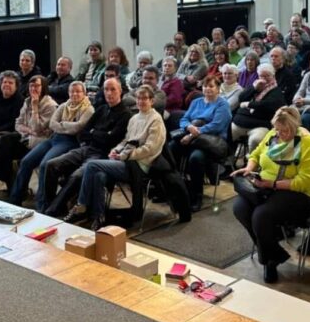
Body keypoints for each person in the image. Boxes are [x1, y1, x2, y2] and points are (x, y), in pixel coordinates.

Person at [231, 106, 310, 284]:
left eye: (285, 131)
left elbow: (305, 181)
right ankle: (274, 253)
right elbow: (257, 153)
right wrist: (249, 169)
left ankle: (269, 262)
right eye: (278, 130)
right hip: (269, 186)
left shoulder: (307, 143)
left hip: (302, 192)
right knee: (240, 208)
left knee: (261, 216)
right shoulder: (273, 133)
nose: (280, 135)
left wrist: (272, 184)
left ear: (295, 127)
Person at [66, 86, 166, 229]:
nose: (141, 101)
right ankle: (99, 216)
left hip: (139, 165)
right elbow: (126, 140)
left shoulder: (156, 120)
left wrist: (124, 155)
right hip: (126, 160)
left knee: (92, 165)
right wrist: (116, 150)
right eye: (138, 98)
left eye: (144, 98)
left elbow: (150, 148)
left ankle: (81, 205)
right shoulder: (135, 118)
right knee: (99, 175)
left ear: (152, 101)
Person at [41, 78, 131, 217]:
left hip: (102, 155)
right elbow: (84, 132)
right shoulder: (101, 109)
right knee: (51, 165)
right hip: (87, 148)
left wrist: (94, 132)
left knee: (77, 176)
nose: (109, 93)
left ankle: (52, 210)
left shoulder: (125, 114)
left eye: (113, 89)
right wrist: (99, 134)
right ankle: (50, 205)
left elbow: (111, 140)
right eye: (106, 89)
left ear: (120, 91)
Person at [11, 81, 94, 211]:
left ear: (84, 93)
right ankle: (15, 199)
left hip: (70, 142)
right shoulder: (63, 105)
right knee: (26, 161)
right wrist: (66, 125)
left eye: (78, 91)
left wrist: (62, 124)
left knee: (45, 164)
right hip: (53, 139)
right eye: (72, 91)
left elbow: (78, 127)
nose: (74, 94)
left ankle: (43, 205)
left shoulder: (88, 109)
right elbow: (52, 124)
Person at [0, 75, 57, 194]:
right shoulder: (27, 101)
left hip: (39, 143)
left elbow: (36, 128)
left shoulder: (51, 105)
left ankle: (9, 188)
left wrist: (35, 107)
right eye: (31, 86)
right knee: (3, 141)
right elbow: (18, 124)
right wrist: (29, 130)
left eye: (37, 86)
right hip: (26, 138)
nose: (33, 89)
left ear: (44, 87)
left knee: (8, 147)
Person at [169, 76, 232, 212]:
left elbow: (216, 126)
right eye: (205, 86)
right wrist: (188, 128)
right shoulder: (196, 101)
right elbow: (184, 119)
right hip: (192, 137)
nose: (207, 89)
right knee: (171, 148)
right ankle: (175, 188)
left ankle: (197, 196)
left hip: (209, 142)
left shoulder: (223, 105)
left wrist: (193, 133)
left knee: (195, 158)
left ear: (218, 89)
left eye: (211, 86)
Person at [231, 63, 286, 151]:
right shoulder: (255, 85)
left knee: (255, 139)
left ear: (273, 75)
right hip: (240, 122)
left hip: (260, 125)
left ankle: (251, 161)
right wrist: (254, 88)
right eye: (261, 76)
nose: (264, 79)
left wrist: (249, 104)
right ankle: (230, 157)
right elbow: (241, 98)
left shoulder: (276, 91)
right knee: (226, 133)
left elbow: (269, 105)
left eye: (267, 76)